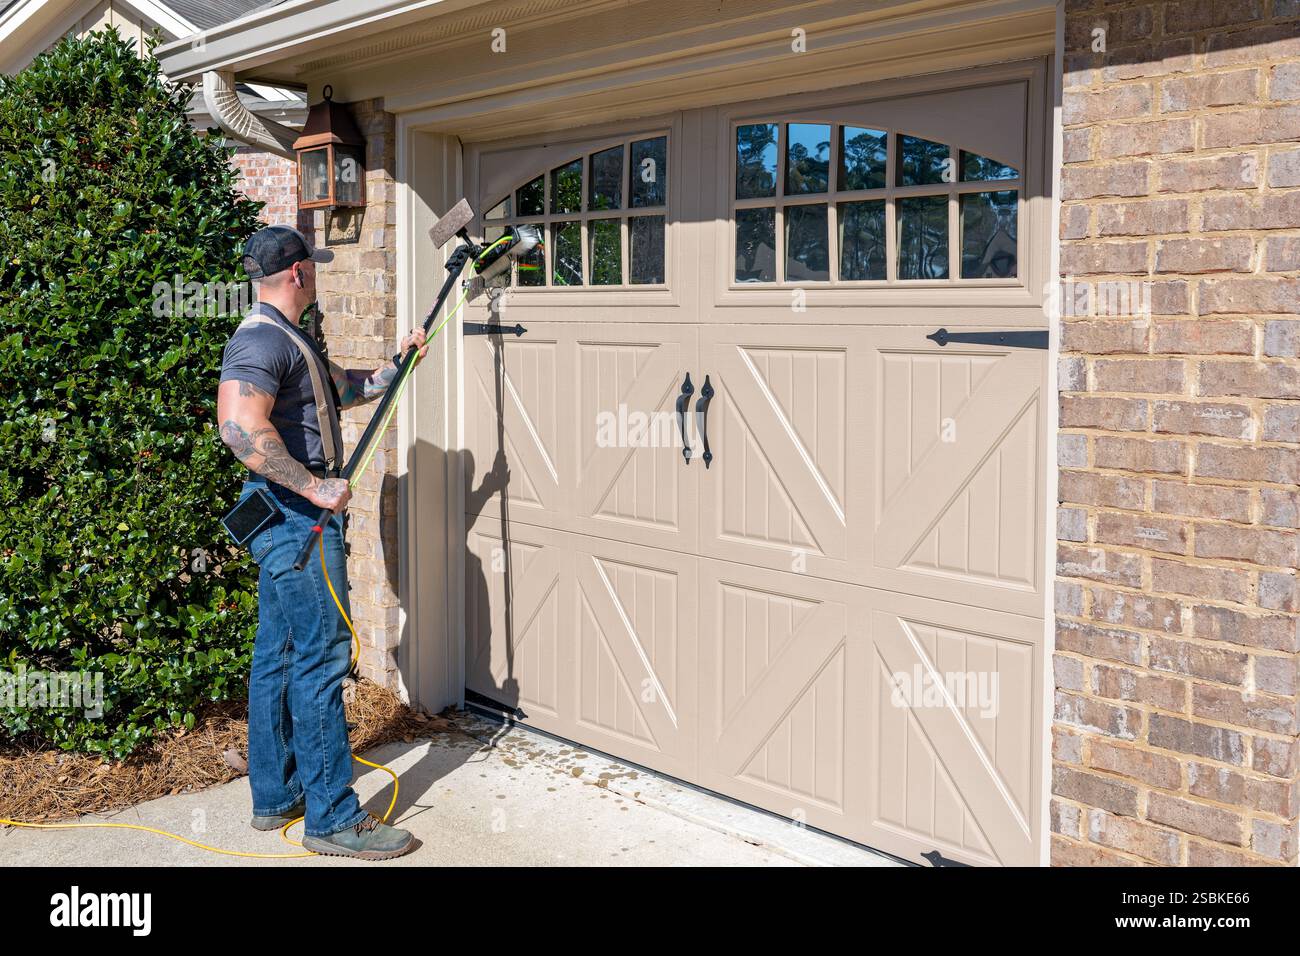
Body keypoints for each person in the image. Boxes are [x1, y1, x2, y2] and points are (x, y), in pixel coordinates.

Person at [217, 225, 425, 860]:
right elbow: (238, 428)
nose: (321, 275)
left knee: (279, 650)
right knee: (322, 657)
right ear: (300, 273)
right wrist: (314, 488)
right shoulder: (258, 341)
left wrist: (399, 362)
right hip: (294, 522)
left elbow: (344, 390)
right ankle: (334, 817)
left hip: (287, 517)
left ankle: (277, 794)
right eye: (317, 266)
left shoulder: (288, 338)